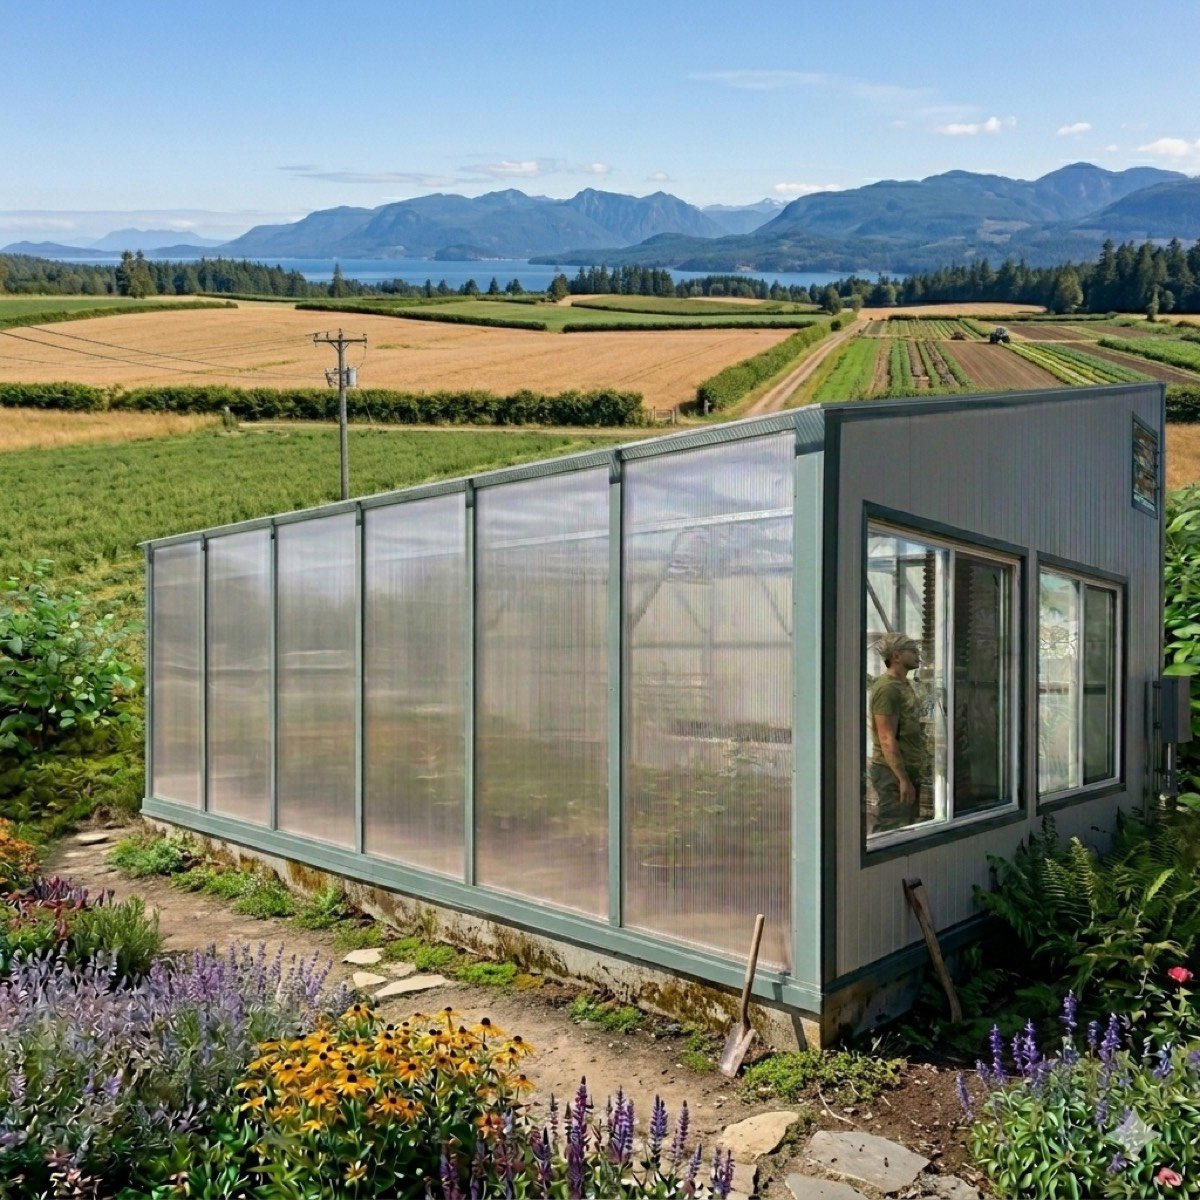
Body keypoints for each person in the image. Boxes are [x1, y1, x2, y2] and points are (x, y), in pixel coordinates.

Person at [868, 632, 930, 832]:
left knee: (905, 826)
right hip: (891, 771)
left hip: (907, 768)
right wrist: (902, 779)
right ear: (896, 656)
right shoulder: (887, 689)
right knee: (890, 825)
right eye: (912, 651)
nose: (917, 655)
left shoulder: (903, 685)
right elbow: (887, 738)